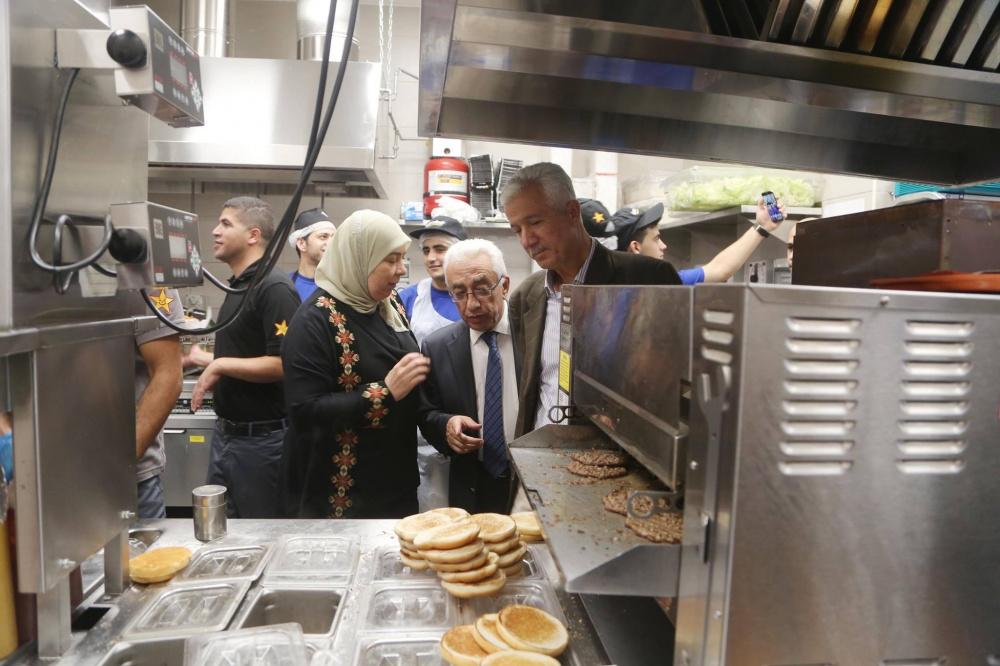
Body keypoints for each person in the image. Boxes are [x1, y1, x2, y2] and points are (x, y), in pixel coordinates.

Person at [503, 163, 682, 438]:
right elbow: (530, 390)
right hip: (540, 452)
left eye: (536, 222)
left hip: (618, 455)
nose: (527, 240)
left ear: (572, 212)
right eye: (517, 230)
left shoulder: (647, 279)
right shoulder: (525, 297)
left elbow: (671, 384)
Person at [281, 210, 430, 519]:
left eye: (402, 259)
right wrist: (383, 392)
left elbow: (411, 388)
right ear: (359, 260)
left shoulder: (389, 306)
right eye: (391, 259)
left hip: (394, 482)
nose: (401, 269)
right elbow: (304, 411)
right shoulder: (314, 321)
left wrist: (444, 422)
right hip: (340, 494)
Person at [186, 196, 300, 518]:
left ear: (253, 235)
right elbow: (247, 350)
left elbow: (283, 364)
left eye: (226, 224)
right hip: (227, 437)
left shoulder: (274, 288)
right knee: (222, 531)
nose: (214, 231)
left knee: (261, 533)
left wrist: (220, 365)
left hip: (262, 443)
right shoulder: (239, 286)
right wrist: (204, 359)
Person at [418, 239, 518, 513]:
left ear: (504, 286)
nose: (471, 304)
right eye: (459, 293)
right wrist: (447, 425)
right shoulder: (437, 347)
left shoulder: (533, 335)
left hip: (530, 481)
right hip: (472, 485)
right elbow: (426, 413)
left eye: (482, 289)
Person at [612, 199, 785, 284]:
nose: (664, 246)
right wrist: (761, 227)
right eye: (656, 239)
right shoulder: (661, 283)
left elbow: (720, 270)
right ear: (636, 247)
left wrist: (763, 226)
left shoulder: (664, 281)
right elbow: (720, 270)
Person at [134, 290, 185, 518]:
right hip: (52, 479)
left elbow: (168, 377)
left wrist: (120, 468)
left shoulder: (146, 280)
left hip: (132, 481)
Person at [396, 216, 469, 345]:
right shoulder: (407, 298)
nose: (430, 258)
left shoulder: (476, 297)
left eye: (440, 249)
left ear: (461, 253)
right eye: (426, 251)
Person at [288, 208, 337, 302]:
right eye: (323, 237)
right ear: (302, 244)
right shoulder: (284, 285)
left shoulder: (341, 287)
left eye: (333, 237)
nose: (331, 243)